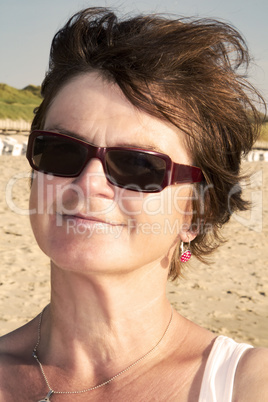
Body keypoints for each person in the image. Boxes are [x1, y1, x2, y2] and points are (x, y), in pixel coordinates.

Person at [0, 7, 267, 401]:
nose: (89, 183)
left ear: (197, 212)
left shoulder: (248, 386)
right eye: (61, 151)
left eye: (138, 165)